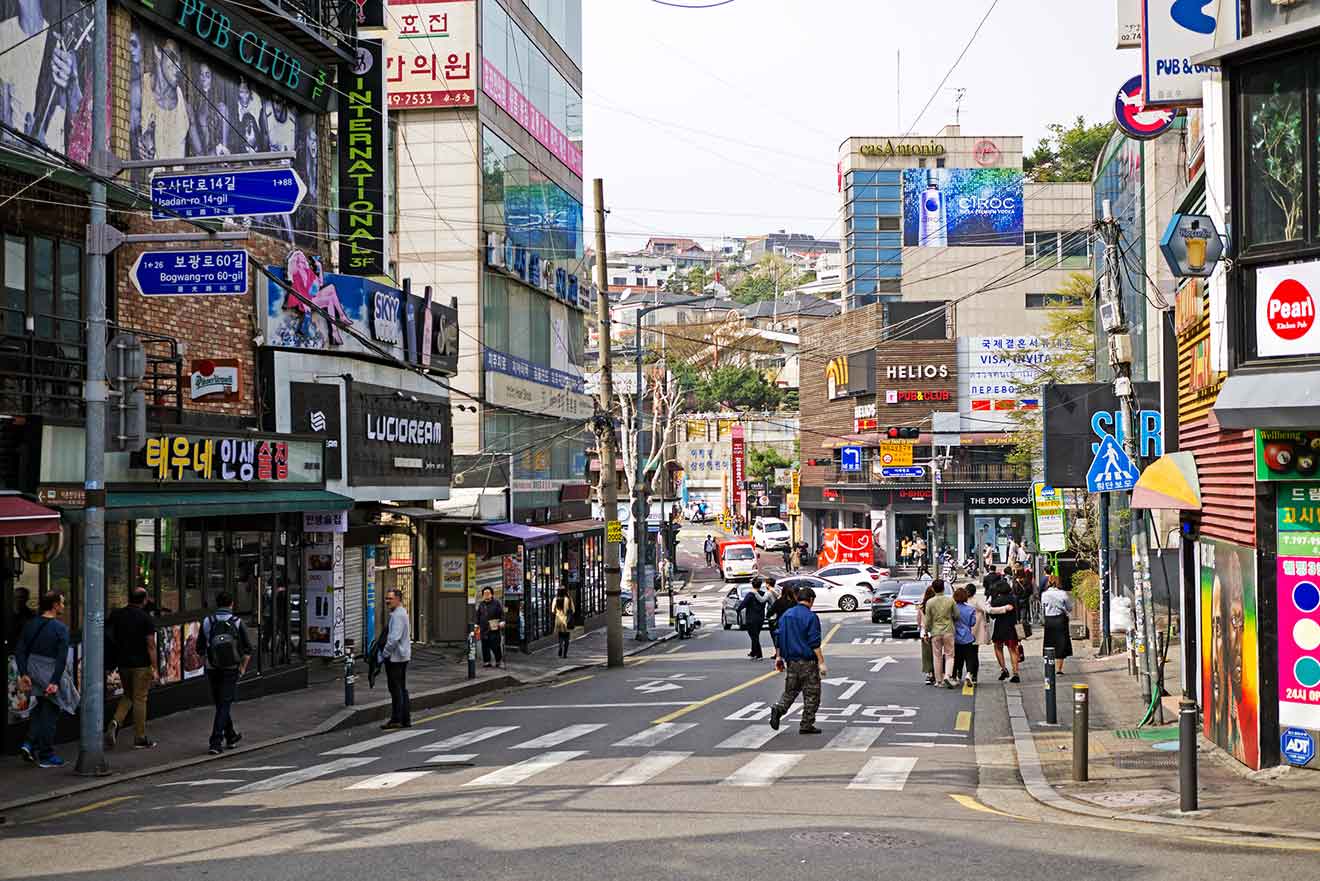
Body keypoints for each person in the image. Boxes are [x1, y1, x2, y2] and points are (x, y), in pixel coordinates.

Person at [15, 592, 71, 767]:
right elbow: (61, 658)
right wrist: (54, 682)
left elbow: (20, 650)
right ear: (54, 605)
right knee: (51, 713)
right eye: (62, 603)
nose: (63, 606)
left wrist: (24, 673)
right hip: (50, 672)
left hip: (32, 670)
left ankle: (29, 743)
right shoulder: (61, 629)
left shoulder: (30, 624)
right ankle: (46, 755)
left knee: (40, 709)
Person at [195, 591, 253, 755]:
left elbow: (199, 647)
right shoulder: (237, 622)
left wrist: (205, 661)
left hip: (213, 668)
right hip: (231, 669)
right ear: (231, 604)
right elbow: (248, 648)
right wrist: (242, 667)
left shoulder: (207, 621)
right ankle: (215, 741)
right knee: (225, 703)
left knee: (221, 703)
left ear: (217, 604)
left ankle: (231, 735)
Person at [105, 587, 158, 750]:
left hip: (123, 663)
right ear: (144, 600)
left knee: (128, 695)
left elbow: (109, 634)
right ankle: (140, 737)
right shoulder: (145, 618)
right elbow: (150, 645)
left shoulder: (117, 615)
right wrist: (155, 667)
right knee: (140, 698)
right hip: (141, 664)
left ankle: (115, 722)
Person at [768, 586, 825, 735]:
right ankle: (806, 724)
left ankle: (778, 709)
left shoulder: (786, 615)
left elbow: (778, 637)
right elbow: (814, 642)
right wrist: (821, 662)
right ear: (811, 600)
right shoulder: (811, 617)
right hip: (807, 662)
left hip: (791, 661)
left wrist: (779, 657)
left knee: (790, 691)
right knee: (812, 694)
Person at [380, 588, 411, 729]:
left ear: (398, 599)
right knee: (401, 688)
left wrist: (385, 653)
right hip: (402, 656)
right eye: (386, 598)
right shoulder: (401, 613)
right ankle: (404, 719)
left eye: (390, 599)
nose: (387, 601)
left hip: (396, 658)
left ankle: (397, 718)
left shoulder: (398, 615)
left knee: (396, 688)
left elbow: (394, 638)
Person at [923, 579, 958, 688]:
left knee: (937, 656)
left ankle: (939, 681)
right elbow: (957, 615)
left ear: (933, 589)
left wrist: (926, 632)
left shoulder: (930, 602)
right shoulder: (950, 600)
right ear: (943, 588)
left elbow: (927, 620)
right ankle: (947, 675)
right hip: (948, 631)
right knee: (950, 655)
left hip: (935, 632)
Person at [989, 578, 1021, 682]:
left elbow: (991, 614)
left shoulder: (997, 601)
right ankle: (1015, 673)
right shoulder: (1014, 598)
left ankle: (1003, 669)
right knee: (1013, 649)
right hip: (1011, 626)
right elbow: (1018, 613)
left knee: (998, 647)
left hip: (1000, 627)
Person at [1040, 575, 1073, 674]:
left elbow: (1043, 607)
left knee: (1050, 642)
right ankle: (1059, 669)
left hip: (1049, 620)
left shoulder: (1044, 594)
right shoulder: (1063, 593)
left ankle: (1050, 665)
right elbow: (1069, 607)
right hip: (1060, 619)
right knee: (1061, 643)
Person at [738, 577, 770, 660]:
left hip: (751, 618)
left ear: (752, 585)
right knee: (755, 635)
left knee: (754, 636)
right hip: (760, 618)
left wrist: (738, 609)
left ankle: (759, 654)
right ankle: (753, 652)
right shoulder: (763, 594)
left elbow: (743, 604)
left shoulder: (750, 594)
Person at [475, 587, 504, 668]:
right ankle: (487, 661)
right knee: (485, 645)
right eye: (484, 593)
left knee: (495, 645)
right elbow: (478, 616)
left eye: (488, 593)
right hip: (484, 629)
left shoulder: (496, 603)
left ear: (491, 594)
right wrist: (477, 624)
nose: (486, 595)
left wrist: (502, 621)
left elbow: (501, 614)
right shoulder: (481, 604)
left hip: (494, 628)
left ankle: (498, 661)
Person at [768, 583, 798, 658]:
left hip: (781, 625)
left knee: (778, 642)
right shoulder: (794, 603)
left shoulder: (779, 602)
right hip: (793, 626)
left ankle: (778, 656)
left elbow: (769, 613)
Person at [918, 583, 936, 685]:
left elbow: (919, 620)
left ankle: (929, 674)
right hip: (936, 631)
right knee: (937, 654)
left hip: (925, 632)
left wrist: (921, 628)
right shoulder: (936, 605)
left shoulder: (922, 606)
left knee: (927, 655)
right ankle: (937, 673)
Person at [553, 587, 575, 658]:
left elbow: (553, 610)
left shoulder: (555, 599)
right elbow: (573, 610)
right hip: (566, 620)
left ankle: (560, 647)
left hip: (558, 620)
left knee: (560, 636)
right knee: (566, 637)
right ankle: (565, 654)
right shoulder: (568, 599)